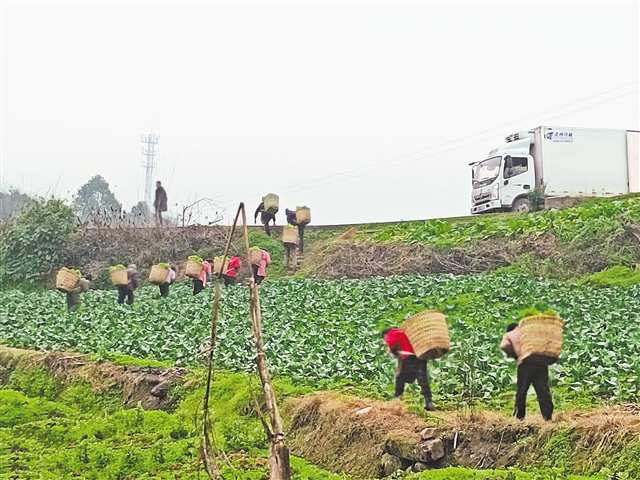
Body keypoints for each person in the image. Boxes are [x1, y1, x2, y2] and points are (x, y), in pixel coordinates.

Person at [501, 323, 554, 421]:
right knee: (543, 391)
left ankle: (519, 418)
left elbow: (505, 346)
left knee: (522, 391)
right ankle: (548, 418)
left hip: (526, 365)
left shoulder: (512, 334)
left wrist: (515, 355)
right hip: (541, 363)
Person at [382, 327, 435, 411]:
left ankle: (396, 400)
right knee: (422, 379)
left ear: (385, 334)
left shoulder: (391, 334)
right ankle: (429, 402)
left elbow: (391, 343)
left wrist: (392, 350)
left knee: (400, 378)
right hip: (421, 356)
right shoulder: (406, 332)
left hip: (408, 357)